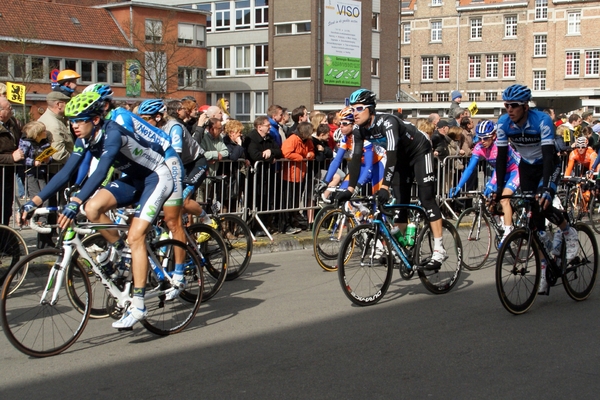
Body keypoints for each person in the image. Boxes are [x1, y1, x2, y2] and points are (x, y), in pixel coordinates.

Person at [19, 92, 175, 329]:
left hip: (157, 177)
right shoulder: (84, 139)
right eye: (72, 121)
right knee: (92, 208)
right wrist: (35, 201)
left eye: (79, 121)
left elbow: (101, 172)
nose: (74, 126)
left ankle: (140, 304)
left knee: (136, 237)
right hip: (133, 178)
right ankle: (121, 250)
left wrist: (74, 202)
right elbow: (66, 172)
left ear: (94, 120)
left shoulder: (112, 134)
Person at [337, 89, 446, 270]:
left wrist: (385, 186)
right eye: (352, 108)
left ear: (370, 109)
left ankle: (439, 248)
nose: (354, 113)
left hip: (419, 151)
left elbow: (392, 154)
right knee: (400, 204)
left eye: (359, 108)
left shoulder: (387, 122)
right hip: (401, 159)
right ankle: (400, 249)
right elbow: (355, 160)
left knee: (426, 198)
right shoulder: (358, 131)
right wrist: (349, 189)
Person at [494, 84, 578, 294]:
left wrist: (548, 189)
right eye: (507, 106)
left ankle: (569, 232)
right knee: (535, 224)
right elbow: (502, 159)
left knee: (543, 202)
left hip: (547, 165)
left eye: (514, 106)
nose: (509, 110)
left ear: (525, 106)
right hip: (527, 167)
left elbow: (549, 156)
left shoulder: (541, 120)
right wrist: (498, 191)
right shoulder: (504, 123)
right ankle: (544, 269)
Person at [449, 120, 521, 246]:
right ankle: (502, 222)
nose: (482, 141)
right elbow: (470, 168)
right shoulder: (479, 147)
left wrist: (490, 185)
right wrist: (459, 186)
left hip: (515, 171)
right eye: (480, 138)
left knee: (504, 199)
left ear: (493, 136)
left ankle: (508, 232)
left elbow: (499, 169)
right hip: (501, 173)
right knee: (490, 202)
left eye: (485, 138)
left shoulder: (500, 145)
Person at [318, 106, 386, 202]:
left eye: (345, 123)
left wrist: (357, 185)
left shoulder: (365, 137)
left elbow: (369, 167)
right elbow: (337, 160)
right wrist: (325, 181)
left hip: (377, 165)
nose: (341, 126)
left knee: (378, 201)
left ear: (354, 124)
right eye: (340, 123)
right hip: (361, 166)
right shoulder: (345, 138)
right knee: (343, 192)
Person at [244, 116, 284, 236]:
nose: (270, 127)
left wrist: (270, 152)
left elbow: (279, 151)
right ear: (259, 127)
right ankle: (253, 227)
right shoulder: (251, 138)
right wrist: (270, 159)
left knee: (266, 200)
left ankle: (266, 223)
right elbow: (255, 155)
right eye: (267, 125)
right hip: (255, 175)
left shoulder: (269, 138)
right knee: (254, 200)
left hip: (267, 175)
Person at [19, 121, 54, 247]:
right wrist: (33, 162)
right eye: (43, 131)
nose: (46, 133)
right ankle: (30, 216)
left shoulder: (44, 143)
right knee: (36, 196)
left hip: (41, 173)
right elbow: (22, 157)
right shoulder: (26, 142)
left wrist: (47, 159)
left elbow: (50, 156)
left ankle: (42, 221)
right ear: (37, 133)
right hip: (30, 173)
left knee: (46, 195)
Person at [281, 122, 314, 234]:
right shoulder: (293, 139)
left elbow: (311, 150)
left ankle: (294, 220)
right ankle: (287, 224)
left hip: (301, 174)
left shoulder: (307, 141)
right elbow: (286, 153)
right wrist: (301, 157)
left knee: (296, 200)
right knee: (288, 201)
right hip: (290, 175)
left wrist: (310, 154)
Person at [0, 97, 24, 225]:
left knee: (6, 209)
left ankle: (6, 240)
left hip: (7, 176)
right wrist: (11, 158)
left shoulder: (13, 123)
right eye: (9, 109)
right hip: (3, 169)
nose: (12, 111)